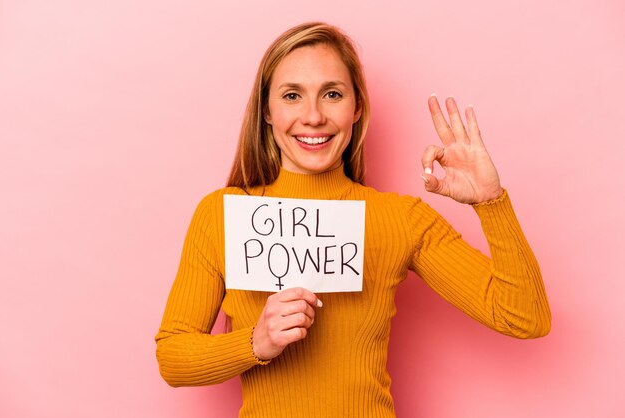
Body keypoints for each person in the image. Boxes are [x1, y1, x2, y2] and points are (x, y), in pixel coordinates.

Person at [155, 22, 551, 417]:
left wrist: (491, 202)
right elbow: (172, 357)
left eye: (332, 94)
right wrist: (254, 344)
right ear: (267, 111)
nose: (313, 116)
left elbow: (524, 317)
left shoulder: (400, 219)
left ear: (356, 107)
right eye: (292, 95)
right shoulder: (222, 215)